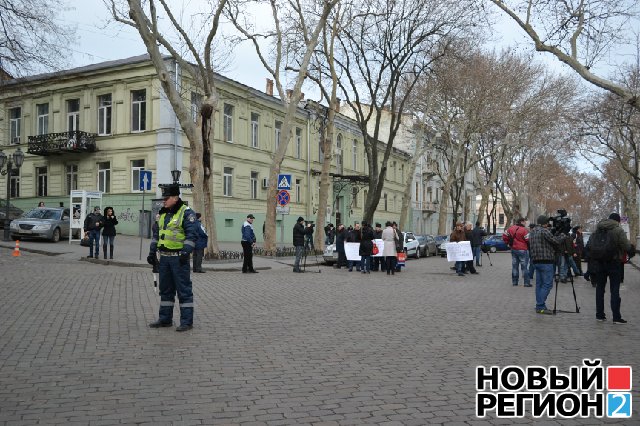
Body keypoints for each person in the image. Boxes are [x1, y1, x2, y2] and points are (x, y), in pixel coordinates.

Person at [147, 184, 198, 332]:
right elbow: (157, 234)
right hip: (164, 258)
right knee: (166, 290)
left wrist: (185, 252)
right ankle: (165, 319)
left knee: (184, 290)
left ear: (175, 198)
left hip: (178, 259)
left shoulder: (187, 213)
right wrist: (152, 253)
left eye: (167, 198)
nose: (164, 200)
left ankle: (187, 322)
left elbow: (191, 235)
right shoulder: (163, 213)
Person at [588, 213, 634, 324]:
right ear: (617, 221)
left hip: (599, 262)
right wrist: (631, 251)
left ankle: (600, 315)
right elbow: (626, 246)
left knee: (600, 289)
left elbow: (590, 244)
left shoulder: (597, 229)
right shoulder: (618, 230)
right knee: (614, 290)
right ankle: (616, 317)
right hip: (614, 263)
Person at [529, 215, 566, 315]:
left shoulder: (532, 232)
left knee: (539, 285)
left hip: (536, 261)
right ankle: (540, 306)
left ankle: (539, 305)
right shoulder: (544, 231)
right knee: (548, 284)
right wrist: (563, 234)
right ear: (545, 223)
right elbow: (556, 241)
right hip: (546, 261)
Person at [502, 217, 531, 287]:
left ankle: (515, 282)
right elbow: (528, 240)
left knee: (514, 266)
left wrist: (508, 243)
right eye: (525, 222)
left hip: (513, 249)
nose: (525, 223)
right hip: (522, 249)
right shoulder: (524, 230)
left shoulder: (511, 228)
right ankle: (526, 283)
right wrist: (529, 247)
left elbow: (504, 235)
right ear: (521, 222)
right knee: (524, 267)